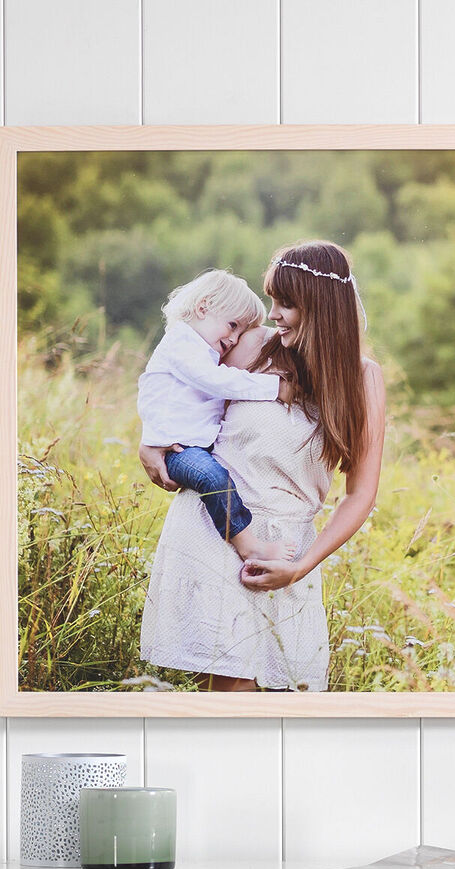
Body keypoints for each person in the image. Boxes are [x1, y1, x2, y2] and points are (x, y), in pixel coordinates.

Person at [138, 241, 389, 691]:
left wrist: (303, 565)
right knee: (232, 696)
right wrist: (151, 441)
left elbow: (360, 494)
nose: (272, 314)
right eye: (271, 299)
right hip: (216, 530)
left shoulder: (363, 379)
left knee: (281, 703)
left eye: (286, 304)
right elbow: (177, 378)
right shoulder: (252, 346)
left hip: (290, 550)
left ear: (321, 308)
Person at [135, 269, 285, 563]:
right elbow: (215, 380)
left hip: (189, 445)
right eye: (232, 326)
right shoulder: (180, 343)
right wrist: (275, 387)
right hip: (177, 449)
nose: (233, 339)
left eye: (240, 333)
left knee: (214, 473)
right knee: (211, 476)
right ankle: (246, 542)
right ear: (203, 307)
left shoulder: (201, 349)